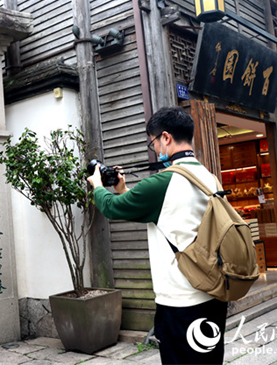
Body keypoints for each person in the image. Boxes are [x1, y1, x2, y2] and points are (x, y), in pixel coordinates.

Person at [87, 106, 228, 365]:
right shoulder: (209, 178)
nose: (155, 149)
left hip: (180, 303)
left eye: (153, 143)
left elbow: (111, 207)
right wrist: (124, 190)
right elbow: (167, 216)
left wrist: (97, 186)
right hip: (214, 295)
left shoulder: (163, 182)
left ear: (165, 137)